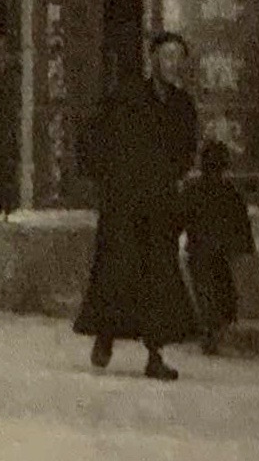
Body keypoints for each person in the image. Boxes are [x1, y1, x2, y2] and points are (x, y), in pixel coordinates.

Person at [74, 31, 202, 380]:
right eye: (167, 56)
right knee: (117, 273)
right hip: (124, 205)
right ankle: (105, 334)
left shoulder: (181, 106)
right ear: (154, 60)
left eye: (178, 58)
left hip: (159, 205)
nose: (173, 64)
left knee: (159, 277)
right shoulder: (128, 98)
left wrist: (172, 179)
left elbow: (187, 150)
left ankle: (155, 353)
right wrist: (108, 180)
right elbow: (94, 135)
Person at [181, 139, 254, 355]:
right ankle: (214, 328)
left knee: (205, 290)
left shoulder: (194, 190)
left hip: (200, 250)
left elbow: (181, 216)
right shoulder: (230, 192)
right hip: (221, 251)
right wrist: (243, 247)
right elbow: (241, 223)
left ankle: (209, 328)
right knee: (221, 289)